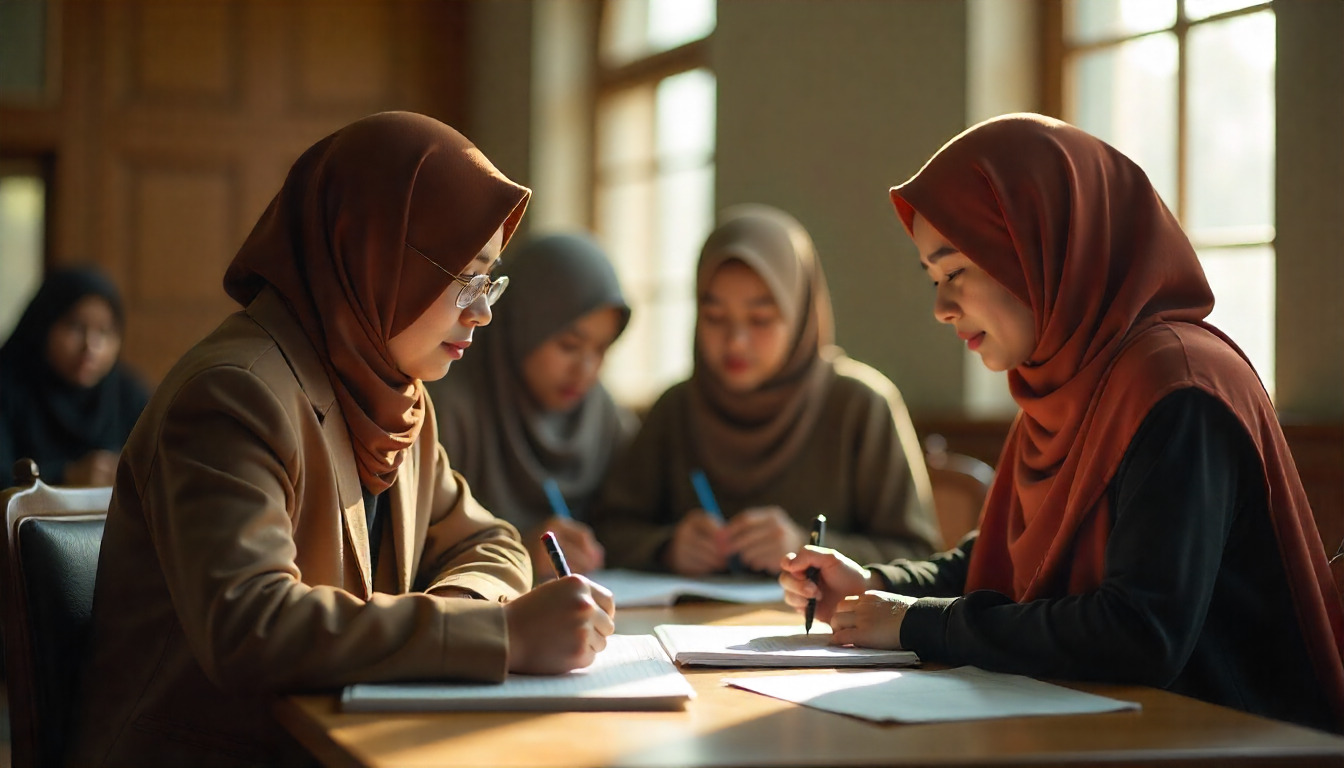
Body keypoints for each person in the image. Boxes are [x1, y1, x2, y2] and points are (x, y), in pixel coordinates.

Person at [67, 112, 615, 767]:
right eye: (465, 277)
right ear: (377, 254)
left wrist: (464, 614)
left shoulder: (396, 396)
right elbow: (251, 625)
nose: (483, 310)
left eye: (490, 279)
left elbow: (489, 540)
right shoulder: (234, 393)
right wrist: (497, 633)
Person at [780, 113, 1344, 733]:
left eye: (955, 272)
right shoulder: (1065, 384)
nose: (941, 308)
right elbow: (1002, 560)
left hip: (1233, 739)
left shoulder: (1178, 385)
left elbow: (1138, 633)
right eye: (934, 280)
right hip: (1108, 728)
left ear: (1039, 248)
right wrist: (877, 585)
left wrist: (917, 621)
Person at [591, 204, 942, 576]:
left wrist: (809, 548)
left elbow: (919, 556)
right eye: (714, 317)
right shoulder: (676, 408)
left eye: (760, 319)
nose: (736, 342)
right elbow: (607, 531)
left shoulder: (861, 406)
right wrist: (666, 547)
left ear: (800, 314)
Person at [426, 232, 634, 577]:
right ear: (522, 326)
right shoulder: (449, 410)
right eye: (569, 345)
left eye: (601, 349)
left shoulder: (604, 417)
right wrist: (518, 550)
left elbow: (626, 524)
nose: (585, 370)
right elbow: (416, 547)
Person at [0, 265, 150, 487]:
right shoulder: (7, 387)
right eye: (75, 327)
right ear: (43, 325)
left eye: (104, 332)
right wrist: (66, 477)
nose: (91, 347)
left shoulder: (128, 394)